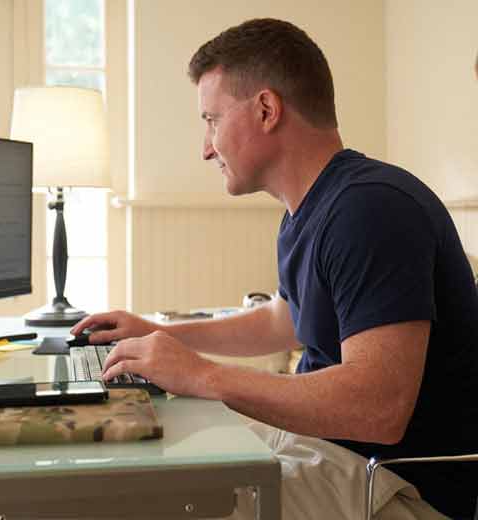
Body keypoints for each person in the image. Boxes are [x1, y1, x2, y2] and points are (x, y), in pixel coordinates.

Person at [72, 18, 478, 519]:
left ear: (266, 109)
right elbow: (283, 321)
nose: (205, 146)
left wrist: (201, 375)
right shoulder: (310, 208)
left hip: (395, 485)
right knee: (149, 448)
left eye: (212, 119)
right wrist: (164, 333)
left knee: (155, 496)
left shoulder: (371, 208)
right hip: (332, 453)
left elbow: (380, 407)